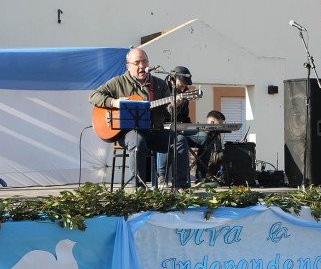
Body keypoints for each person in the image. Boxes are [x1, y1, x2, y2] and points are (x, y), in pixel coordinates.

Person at [89, 48, 190, 190]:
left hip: (153, 131)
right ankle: (140, 190)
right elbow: (94, 95)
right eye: (137, 63)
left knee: (180, 140)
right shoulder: (118, 82)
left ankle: (180, 186)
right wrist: (114, 102)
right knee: (138, 142)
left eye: (144, 62)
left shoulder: (159, 84)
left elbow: (168, 113)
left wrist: (174, 105)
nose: (141, 66)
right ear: (128, 66)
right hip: (127, 132)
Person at [157, 66, 194, 187]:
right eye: (181, 85)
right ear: (172, 80)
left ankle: (202, 176)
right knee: (169, 138)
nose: (183, 88)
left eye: (185, 86)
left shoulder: (184, 94)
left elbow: (185, 115)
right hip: (164, 127)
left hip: (182, 128)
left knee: (206, 137)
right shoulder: (161, 88)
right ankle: (161, 176)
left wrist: (190, 126)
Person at [190, 110, 226, 185]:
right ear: (212, 123)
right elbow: (211, 159)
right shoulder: (201, 137)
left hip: (213, 172)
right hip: (206, 173)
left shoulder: (214, 135)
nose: (222, 126)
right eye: (220, 123)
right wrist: (226, 152)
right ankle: (201, 177)